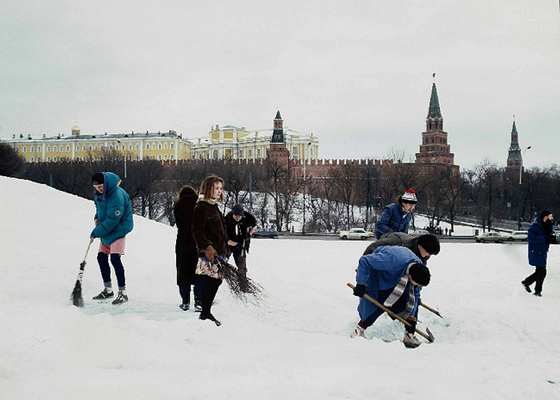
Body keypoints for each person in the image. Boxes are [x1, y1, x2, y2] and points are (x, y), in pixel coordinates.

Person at [351, 246, 431, 348]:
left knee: (404, 303)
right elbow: (365, 260)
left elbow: (414, 296)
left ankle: (408, 335)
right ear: (410, 277)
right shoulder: (392, 260)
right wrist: (361, 284)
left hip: (395, 276)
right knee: (379, 303)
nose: (418, 286)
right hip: (377, 273)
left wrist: (412, 320)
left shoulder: (417, 267)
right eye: (417, 284)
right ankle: (358, 330)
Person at [90, 172, 134, 305]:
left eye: (101, 186)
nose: (99, 189)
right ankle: (108, 289)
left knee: (115, 258)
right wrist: (96, 218)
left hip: (119, 229)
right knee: (101, 257)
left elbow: (112, 220)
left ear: (107, 183)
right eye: (96, 187)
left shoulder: (117, 195)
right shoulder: (99, 195)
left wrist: (95, 232)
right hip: (106, 230)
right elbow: (99, 209)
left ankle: (123, 292)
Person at [191, 175, 229, 326]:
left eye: (221, 188)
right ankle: (205, 313)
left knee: (216, 281)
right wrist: (207, 247)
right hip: (210, 253)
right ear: (209, 189)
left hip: (221, 251)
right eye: (216, 188)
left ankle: (206, 311)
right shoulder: (201, 207)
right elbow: (196, 230)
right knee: (209, 281)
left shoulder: (214, 206)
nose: (219, 191)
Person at [174, 185, 203, 311]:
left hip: (182, 242)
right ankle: (198, 301)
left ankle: (185, 301)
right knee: (198, 272)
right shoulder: (199, 203)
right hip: (198, 242)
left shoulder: (178, 205)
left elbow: (179, 223)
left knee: (183, 272)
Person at [522, 209, 557, 297]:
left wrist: (551, 238)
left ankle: (535, 289)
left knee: (540, 271)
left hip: (542, 252)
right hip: (536, 252)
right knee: (542, 272)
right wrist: (545, 238)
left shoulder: (547, 226)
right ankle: (530, 285)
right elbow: (531, 239)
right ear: (545, 217)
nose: (552, 218)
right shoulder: (535, 227)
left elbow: (547, 237)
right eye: (550, 217)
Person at [363, 232, 440, 265]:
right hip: (382, 259)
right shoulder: (400, 242)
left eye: (430, 254)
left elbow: (419, 278)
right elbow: (372, 247)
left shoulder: (423, 258)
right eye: (428, 252)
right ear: (421, 245)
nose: (428, 255)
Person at [225, 204, 257, 279]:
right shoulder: (226, 220)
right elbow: (224, 239)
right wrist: (234, 244)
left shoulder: (247, 219)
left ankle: (243, 281)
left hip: (241, 244)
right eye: (236, 216)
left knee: (241, 266)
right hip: (228, 244)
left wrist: (249, 234)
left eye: (240, 216)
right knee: (223, 262)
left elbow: (254, 225)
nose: (238, 218)